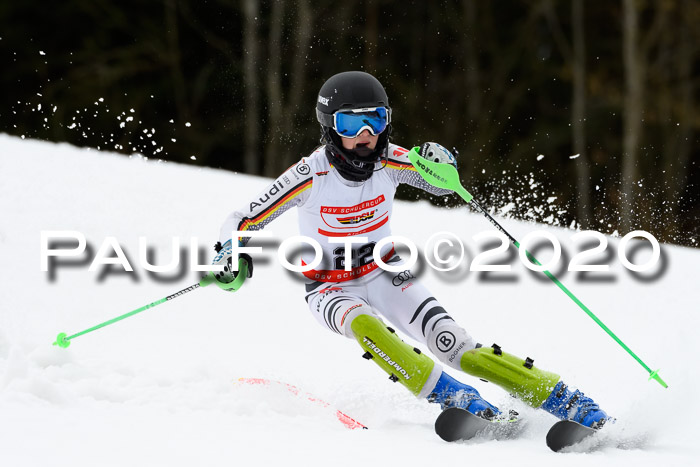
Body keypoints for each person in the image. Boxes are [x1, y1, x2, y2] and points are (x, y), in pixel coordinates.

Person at [212, 71, 608, 431]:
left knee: (453, 345)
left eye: (376, 119)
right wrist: (228, 256)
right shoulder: (310, 175)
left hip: (384, 274)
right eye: (351, 123)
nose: (366, 133)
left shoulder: (389, 160)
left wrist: (444, 167)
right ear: (330, 127)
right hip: (329, 288)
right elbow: (242, 219)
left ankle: (566, 399)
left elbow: (442, 184)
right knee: (366, 326)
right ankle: (455, 398)